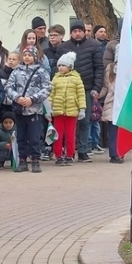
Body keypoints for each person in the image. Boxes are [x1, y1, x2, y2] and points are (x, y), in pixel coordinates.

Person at [57, 21, 104, 163]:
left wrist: (97, 87)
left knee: (85, 120)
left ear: (85, 32)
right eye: (74, 31)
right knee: (67, 121)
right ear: (71, 33)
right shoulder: (63, 47)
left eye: (80, 31)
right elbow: (56, 67)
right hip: (66, 89)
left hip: (87, 88)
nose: (77, 33)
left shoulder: (94, 46)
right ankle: (66, 151)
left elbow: (99, 68)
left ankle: (83, 149)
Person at [5, 46, 52, 173]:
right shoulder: (16, 71)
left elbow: (47, 88)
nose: (27, 57)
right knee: (21, 136)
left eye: (29, 55)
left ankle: (36, 160)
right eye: (25, 55)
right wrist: (17, 98)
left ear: (35, 57)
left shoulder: (41, 72)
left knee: (34, 136)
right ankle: (22, 160)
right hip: (20, 110)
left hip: (34, 110)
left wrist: (32, 99)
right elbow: (9, 87)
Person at [49, 52, 85, 166]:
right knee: (57, 135)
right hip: (58, 111)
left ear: (70, 66)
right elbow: (51, 95)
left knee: (70, 135)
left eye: (63, 65)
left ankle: (70, 155)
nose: (60, 68)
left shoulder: (76, 78)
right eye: (59, 65)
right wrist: (49, 108)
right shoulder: (55, 79)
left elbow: (81, 94)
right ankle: (58, 155)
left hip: (72, 111)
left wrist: (82, 108)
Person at [98, 46, 124, 163]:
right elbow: (105, 86)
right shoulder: (110, 68)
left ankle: (121, 151)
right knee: (113, 130)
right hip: (112, 101)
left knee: (123, 129)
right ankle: (114, 154)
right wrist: (98, 95)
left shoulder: (129, 67)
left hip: (124, 101)